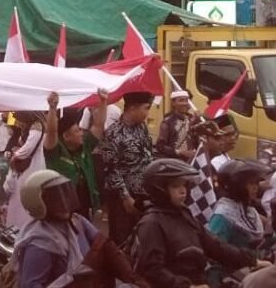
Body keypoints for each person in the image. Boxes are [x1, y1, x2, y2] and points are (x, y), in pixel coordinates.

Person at [134, 158, 265, 287]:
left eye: (183, 185)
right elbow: (153, 269)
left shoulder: (184, 216)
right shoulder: (151, 223)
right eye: (175, 186)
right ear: (159, 189)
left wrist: (251, 260)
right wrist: (187, 286)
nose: (183, 190)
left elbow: (215, 246)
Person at [15, 169, 145, 288]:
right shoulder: (39, 243)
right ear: (37, 203)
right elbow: (30, 285)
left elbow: (105, 245)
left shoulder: (77, 221)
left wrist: (132, 278)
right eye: (55, 199)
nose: (63, 202)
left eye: (65, 194)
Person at [98, 91, 154, 245]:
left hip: (142, 193)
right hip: (121, 197)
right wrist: (125, 197)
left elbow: (148, 156)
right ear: (132, 108)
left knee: (143, 237)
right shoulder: (114, 133)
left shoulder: (142, 128)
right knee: (122, 239)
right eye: (146, 108)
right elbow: (110, 168)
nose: (148, 113)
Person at [208, 159, 273, 283]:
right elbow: (215, 254)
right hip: (229, 279)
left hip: (254, 273)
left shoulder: (249, 211)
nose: (256, 187)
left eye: (256, 183)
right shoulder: (222, 216)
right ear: (236, 186)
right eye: (250, 183)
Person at [45, 91, 108, 220]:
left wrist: (103, 102)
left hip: (85, 205)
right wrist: (52, 108)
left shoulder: (85, 146)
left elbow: (98, 125)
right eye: (77, 131)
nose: (81, 133)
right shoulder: (55, 151)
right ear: (66, 136)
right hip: (62, 207)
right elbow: (51, 132)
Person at [5, 108, 48, 230]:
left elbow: (27, 149)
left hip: (31, 168)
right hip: (28, 167)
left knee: (24, 199)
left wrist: (15, 156)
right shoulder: (31, 126)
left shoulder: (37, 127)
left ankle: (23, 228)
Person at [155, 90, 197, 162]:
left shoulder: (192, 118)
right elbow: (160, 146)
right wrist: (179, 152)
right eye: (181, 100)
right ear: (173, 103)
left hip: (191, 161)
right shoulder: (167, 122)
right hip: (174, 161)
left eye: (186, 100)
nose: (184, 103)